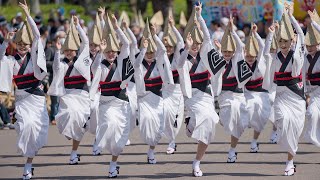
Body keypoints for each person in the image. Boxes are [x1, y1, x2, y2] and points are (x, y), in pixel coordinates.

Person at [176, 3, 227, 176]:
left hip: (206, 94)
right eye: (193, 42)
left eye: (198, 42)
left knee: (210, 126)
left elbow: (206, 36)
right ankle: (190, 122)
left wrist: (199, 16)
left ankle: (197, 161)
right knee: (204, 118)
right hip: (192, 96)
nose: (196, 45)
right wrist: (186, 48)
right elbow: (179, 64)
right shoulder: (184, 57)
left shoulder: (205, 56)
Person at [0, 1, 49, 179]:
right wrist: (6, 43)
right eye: (19, 43)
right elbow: (0, 57)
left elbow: (37, 36)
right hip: (21, 99)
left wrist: (28, 15)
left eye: (25, 44)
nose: (22, 46)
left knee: (35, 129)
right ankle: (27, 163)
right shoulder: (11, 61)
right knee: (25, 127)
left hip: (36, 98)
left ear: (30, 45)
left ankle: (28, 165)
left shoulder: (35, 59)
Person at [262, 5, 306, 176]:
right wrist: (271, 33)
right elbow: (266, 53)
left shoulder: (297, 55)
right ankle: (286, 151)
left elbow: (301, 35)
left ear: (291, 41)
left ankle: (290, 162)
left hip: (296, 97)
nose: (283, 44)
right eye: (280, 41)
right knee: (282, 119)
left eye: (286, 41)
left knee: (294, 128)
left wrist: (290, 16)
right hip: (281, 95)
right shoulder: (275, 57)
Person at [93, 13, 133, 178]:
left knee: (120, 137)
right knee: (109, 125)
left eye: (113, 51)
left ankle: (113, 163)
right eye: (107, 51)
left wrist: (117, 28)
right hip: (106, 103)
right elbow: (94, 68)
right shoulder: (100, 65)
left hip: (121, 102)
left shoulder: (121, 61)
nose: (110, 54)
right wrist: (99, 51)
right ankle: (103, 148)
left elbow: (128, 44)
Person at [48, 15, 92, 165]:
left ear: (76, 50)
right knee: (67, 115)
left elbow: (86, 42)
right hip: (68, 95)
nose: (68, 52)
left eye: (71, 50)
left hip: (83, 95)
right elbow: (55, 68)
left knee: (79, 122)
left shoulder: (83, 61)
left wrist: (78, 25)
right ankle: (69, 132)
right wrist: (58, 51)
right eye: (66, 50)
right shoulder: (62, 63)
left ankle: (74, 153)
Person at [133, 18, 173, 165]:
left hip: (157, 96)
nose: (150, 55)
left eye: (152, 52)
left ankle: (151, 150)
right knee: (146, 121)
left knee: (159, 126)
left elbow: (162, 50)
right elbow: (136, 64)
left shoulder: (159, 61)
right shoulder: (139, 62)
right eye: (147, 53)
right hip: (144, 97)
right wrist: (143, 49)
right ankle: (149, 146)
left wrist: (155, 36)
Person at [215, 15, 253, 163]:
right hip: (224, 95)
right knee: (229, 111)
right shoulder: (218, 59)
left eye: (229, 52)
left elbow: (241, 47)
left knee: (239, 123)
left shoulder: (237, 59)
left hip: (238, 94)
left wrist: (232, 30)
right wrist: (219, 49)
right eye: (225, 52)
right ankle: (223, 118)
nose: (227, 54)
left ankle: (232, 150)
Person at [243, 24, 271, 153]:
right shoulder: (242, 63)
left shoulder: (260, 62)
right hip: (248, 93)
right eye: (248, 56)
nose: (250, 58)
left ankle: (254, 140)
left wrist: (255, 34)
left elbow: (263, 47)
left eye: (252, 56)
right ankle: (247, 122)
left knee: (262, 118)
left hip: (262, 93)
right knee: (249, 108)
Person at [162, 15, 185, 154]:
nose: (168, 48)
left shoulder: (177, 59)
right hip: (165, 90)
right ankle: (171, 140)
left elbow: (181, 42)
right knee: (166, 113)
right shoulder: (161, 57)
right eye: (166, 46)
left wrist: (173, 26)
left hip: (177, 91)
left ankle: (173, 140)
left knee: (177, 118)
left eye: (171, 46)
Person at [87, 7, 105, 156]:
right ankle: (96, 136)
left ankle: (97, 141)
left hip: (102, 91)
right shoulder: (85, 57)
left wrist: (102, 17)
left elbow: (105, 33)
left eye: (96, 45)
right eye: (91, 45)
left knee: (97, 111)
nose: (93, 48)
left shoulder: (105, 57)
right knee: (92, 115)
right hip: (86, 91)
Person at [303, 10, 320, 147]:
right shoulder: (304, 58)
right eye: (307, 45)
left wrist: (314, 23)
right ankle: (312, 136)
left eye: (312, 45)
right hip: (314, 93)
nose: (309, 48)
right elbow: (303, 77)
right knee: (311, 113)